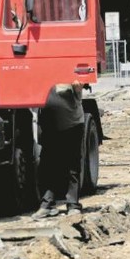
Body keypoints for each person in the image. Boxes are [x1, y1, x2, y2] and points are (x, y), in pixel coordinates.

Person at [32, 82, 85, 220]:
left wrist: (78, 84)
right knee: (48, 165)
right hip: (49, 123)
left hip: (71, 124)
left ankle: (72, 205)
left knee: (72, 166)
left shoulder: (67, 69)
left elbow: (79, 85)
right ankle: (47, 205)